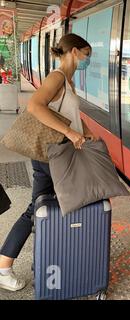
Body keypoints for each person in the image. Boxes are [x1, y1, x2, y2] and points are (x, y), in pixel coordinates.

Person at [0, 33, 97, 291]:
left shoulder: (68, 80)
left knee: (42, 207)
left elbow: (66, 114)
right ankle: (7, 265)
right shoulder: (57, 77)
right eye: (87, 54)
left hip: (56, 154)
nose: (88, 59)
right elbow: (35, 106)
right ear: (75, 52)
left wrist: (84, 130)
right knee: (45, 207)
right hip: (53, 154)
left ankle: (42, 258)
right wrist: (71, 133)